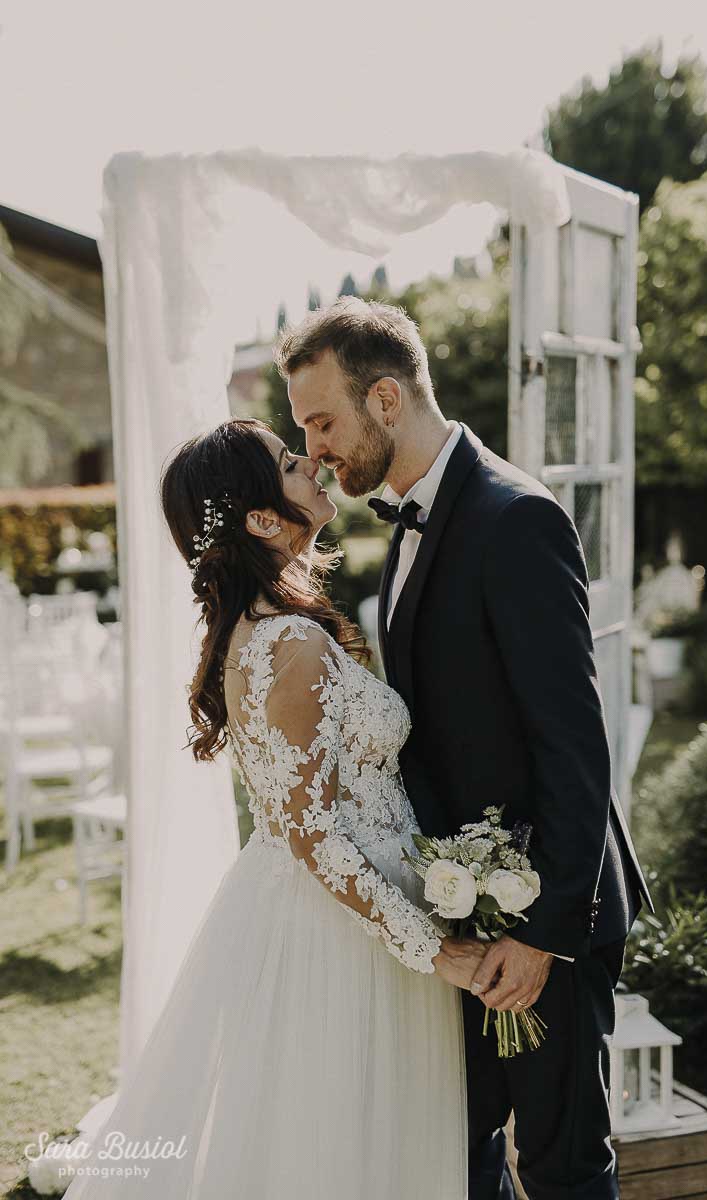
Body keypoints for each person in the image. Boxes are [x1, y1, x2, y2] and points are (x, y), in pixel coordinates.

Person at [275, 296, 655, 1200]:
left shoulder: (513, 516)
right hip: (462, 912)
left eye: (322, 422)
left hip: (541, 919)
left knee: (562, 1167)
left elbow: (571, 744)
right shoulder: (406, 522)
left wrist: (541, 934)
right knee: (460, 1153)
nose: (316, 449)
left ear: (387, 400)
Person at [62, 417, 475, 1198]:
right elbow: (312, 833)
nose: (314, 462)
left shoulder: (265, 627)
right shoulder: (289, 643)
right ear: (259, 517)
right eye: (292, 463)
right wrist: (429, 948)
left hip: (353, 906)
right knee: (343, 1148)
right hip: (347, 933)